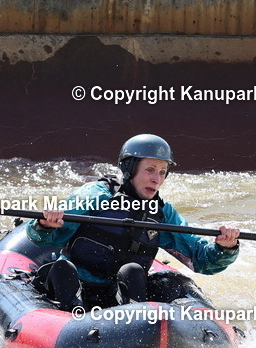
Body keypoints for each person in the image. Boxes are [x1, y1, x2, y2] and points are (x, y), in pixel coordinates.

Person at [26, 133, 240, 311]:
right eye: (150, 170)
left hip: (120, 295)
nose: (157, 179)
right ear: (129, 167)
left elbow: (201, 260)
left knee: (134, 271)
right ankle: (72, 314)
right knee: (63, 268)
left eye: (162, 172)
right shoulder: (97, 194)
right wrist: (45, 226)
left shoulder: (162, 213)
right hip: (75, 287)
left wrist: (225, 248)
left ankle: (134, 321)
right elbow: (46, 238)